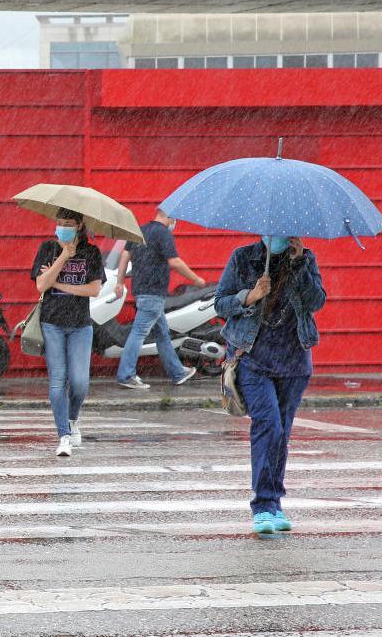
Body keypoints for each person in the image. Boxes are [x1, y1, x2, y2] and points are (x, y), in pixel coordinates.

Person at [215, 235, 324, 535]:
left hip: (294, 360)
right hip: (253, 358)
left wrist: (299, 263)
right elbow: (220, 302)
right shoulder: (242, 257)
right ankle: (263, 505)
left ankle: (275, 502)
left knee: (282, 434)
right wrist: (249, 296)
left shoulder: (305, 259)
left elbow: (316, 301)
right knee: (269, 426)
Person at [31, 208, 104, 459]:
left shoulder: (92, 252)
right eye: (59, 222)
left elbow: (94, 290)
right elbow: (41, 285)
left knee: (80, 382)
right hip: (52, 323)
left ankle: (72, 418)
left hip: (80, 325)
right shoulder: (48, 248)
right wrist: (64, 255)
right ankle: (63, 435)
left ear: (80, 225)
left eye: (68, 223)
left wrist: (60, 284)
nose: (62, 227)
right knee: (57, 381)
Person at [114, 208, 204, 389]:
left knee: (162, 334)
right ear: (169, 217)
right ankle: (126, 375)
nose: (175, 223)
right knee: (139, 333)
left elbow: (125, 255)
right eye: (175, 219)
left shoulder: (141, 230)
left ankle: (177, 372)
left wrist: (120, 282)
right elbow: (174, 261)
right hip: (154, 292)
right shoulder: (163, 234)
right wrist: (196, 279)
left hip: (140, 290)